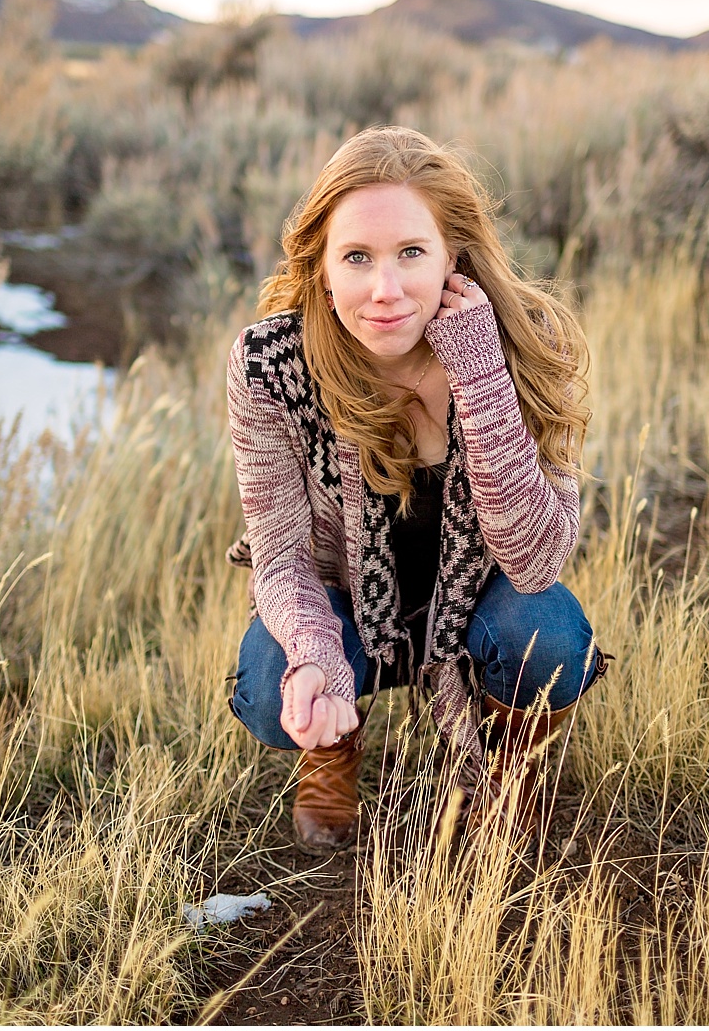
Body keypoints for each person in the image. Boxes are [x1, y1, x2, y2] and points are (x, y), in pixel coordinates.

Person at [224, 125, 605, 852]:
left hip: (481, 606)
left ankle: (511, 768)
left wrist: (480, 373)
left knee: (549, 632)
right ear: (323, 268)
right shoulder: (271, 365)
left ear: (451, 258)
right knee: (274, 676)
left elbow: (533, 561)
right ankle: (332, 753)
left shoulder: (526, 343)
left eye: (411, 254)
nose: (386, 290)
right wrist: (316, 654)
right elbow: (279, 558)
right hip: (346, 604)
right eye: (358, 258)